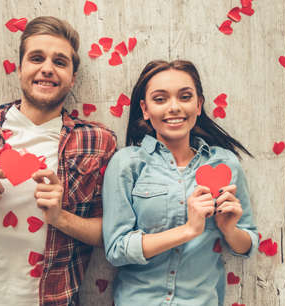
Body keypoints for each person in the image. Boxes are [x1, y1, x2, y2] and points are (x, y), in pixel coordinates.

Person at [0, 16, 117, 306]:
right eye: (37, 58)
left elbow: (109, 233)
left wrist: (60, 217)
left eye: (60, 61)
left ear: (72, 77)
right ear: (20, 70)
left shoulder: (97, 141)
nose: (47, 69)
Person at [102, 60, 258, 306]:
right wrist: (188, 230)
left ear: (198, 105)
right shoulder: (126, 163)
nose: (174, 107)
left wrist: (230, 230)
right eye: (160, 99)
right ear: (145, 109)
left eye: (185, 97)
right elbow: (116, 249)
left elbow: (248, 244)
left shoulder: (225, 164)